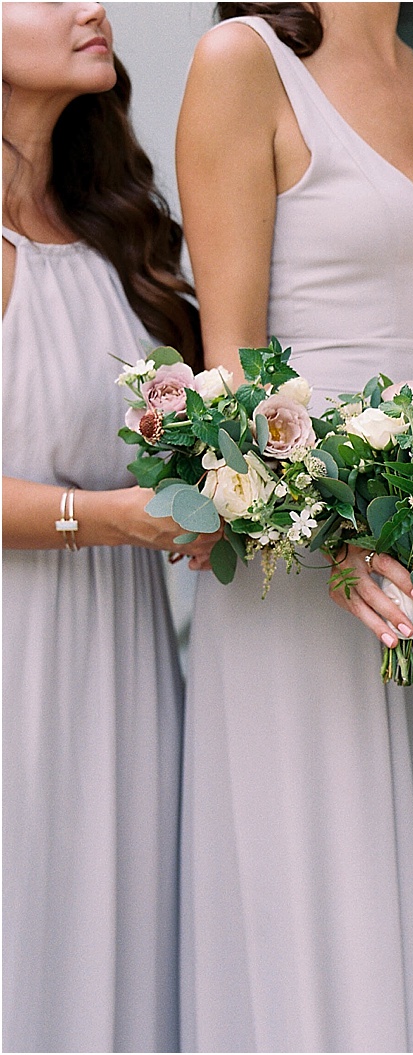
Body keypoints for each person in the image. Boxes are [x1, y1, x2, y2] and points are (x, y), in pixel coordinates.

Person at [175, 3, 413, 1049]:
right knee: (319, 897)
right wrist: (331, 531)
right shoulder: (244, 61)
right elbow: (229, 363)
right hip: (307, 567)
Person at [1, 3, 215, 1049]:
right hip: (18, 660)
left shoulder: (108, 221)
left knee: (121, 951)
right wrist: (114, 516)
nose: (92, 8)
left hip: (124, 656)